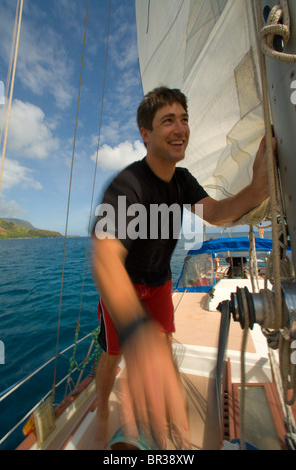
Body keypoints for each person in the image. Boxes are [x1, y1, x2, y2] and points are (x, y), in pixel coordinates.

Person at [91, 87, 275, 449]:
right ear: (146, 134)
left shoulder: (183, 181)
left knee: (165, 345)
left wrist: (256, 190)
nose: (181, 128)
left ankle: (173, 431)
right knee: (113, 356)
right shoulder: (128, 185)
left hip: (159, 284)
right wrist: (136, 330)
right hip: (125, 287)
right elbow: (105, 256)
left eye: (184, 118)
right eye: (168, 120)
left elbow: (218, 213)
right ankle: (100, 410)